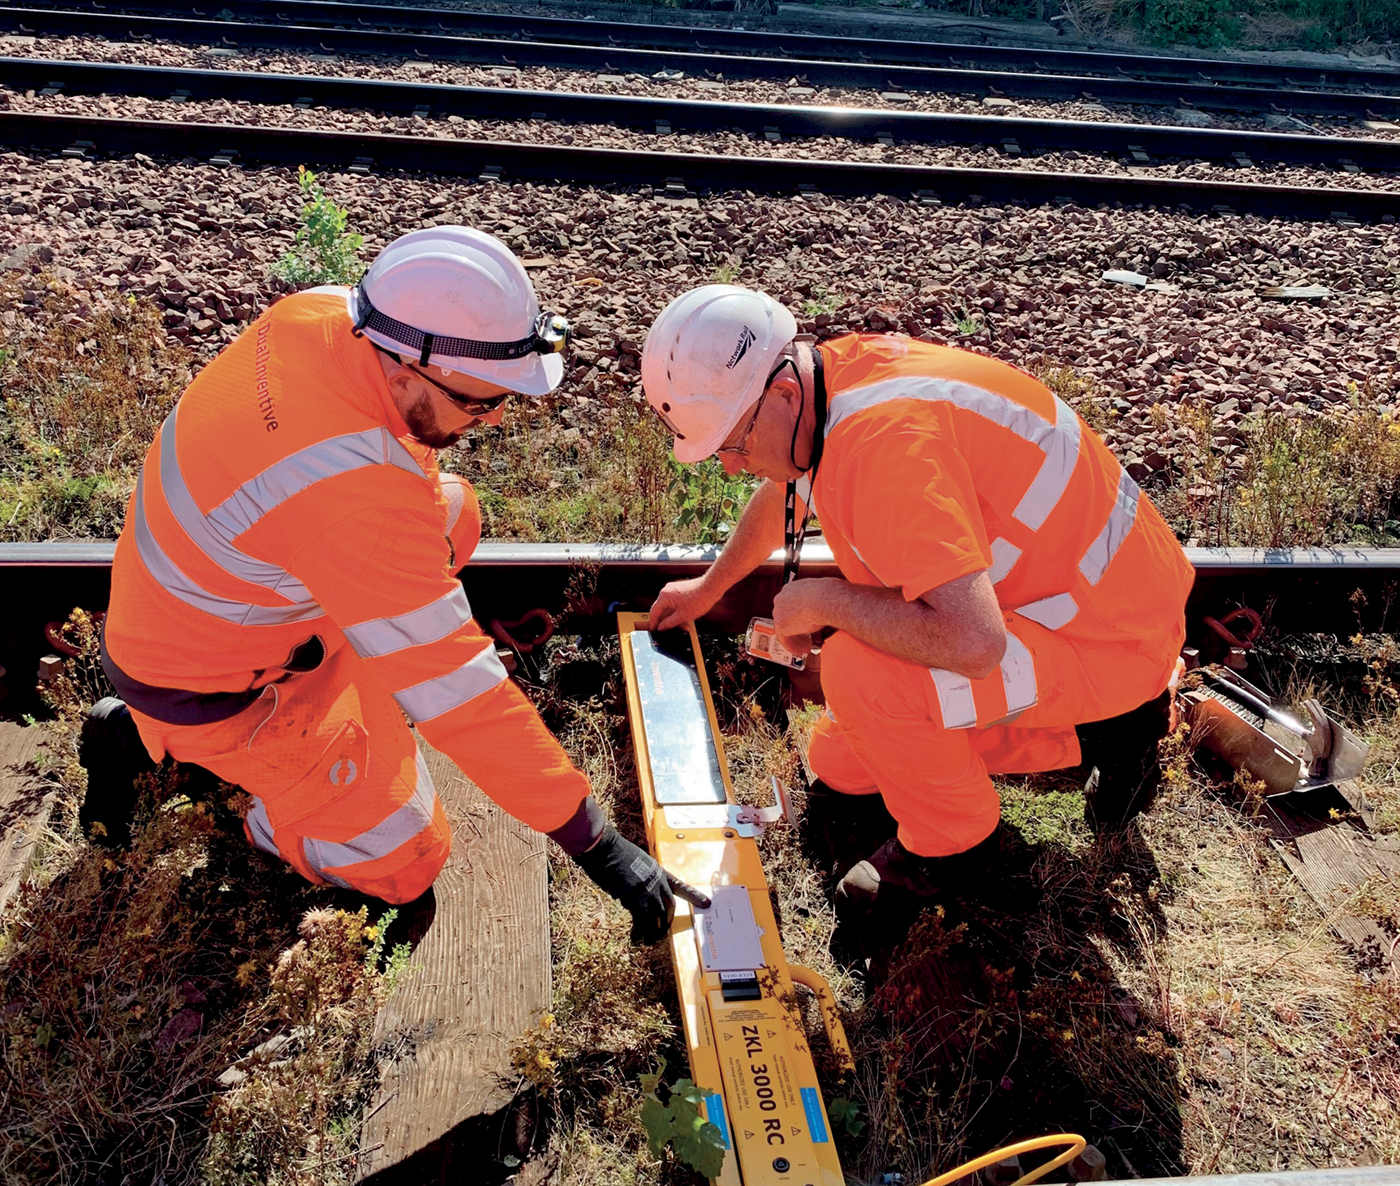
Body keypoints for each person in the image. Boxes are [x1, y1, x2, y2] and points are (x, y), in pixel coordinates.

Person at [82, 227, 673, 942]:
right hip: (218, 689)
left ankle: (202, 734)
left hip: (208, 611)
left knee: (452, 512)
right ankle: (199, 766)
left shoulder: (326, 314)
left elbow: (375, 502)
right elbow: (462, 697)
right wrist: (597, 844)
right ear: (404, 377)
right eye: (479, 402)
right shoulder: (351, 493)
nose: (494, 416)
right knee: (405, 856)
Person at [641, 285, 1194, 919]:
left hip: (1106, 639)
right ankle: (1090, 735)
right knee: (839, 762)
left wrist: (825, 600)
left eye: (733, 446)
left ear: (783, 394)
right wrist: (709, 589)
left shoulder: (886, 447)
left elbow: (975, 644)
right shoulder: (828, 383)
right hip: (1065, 606)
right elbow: (783, 491)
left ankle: (955, 844)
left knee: (859, 674)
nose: (734, 467)